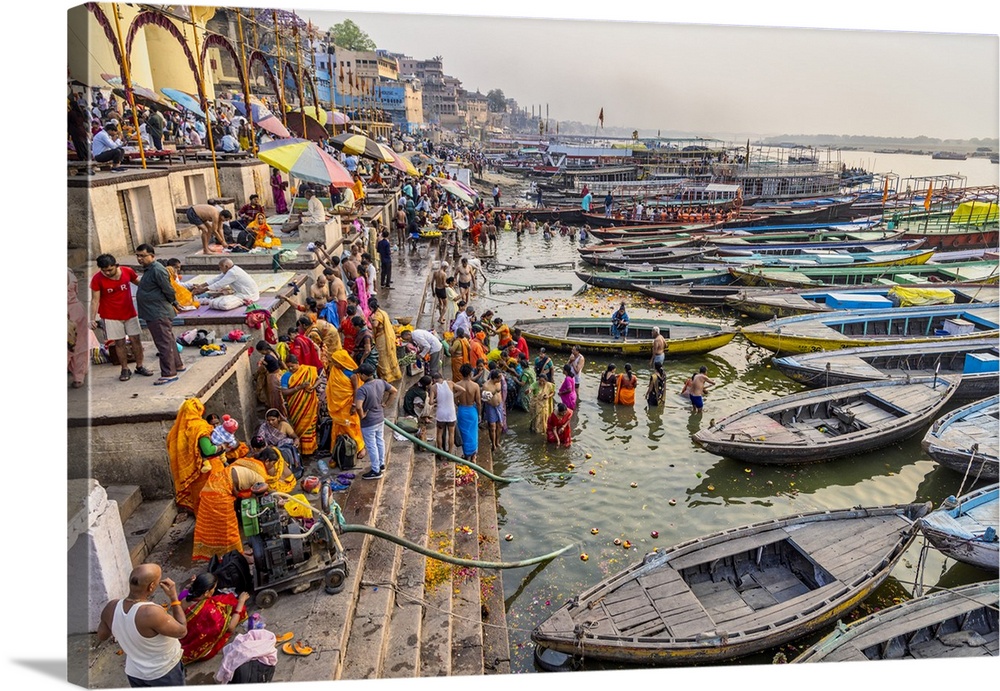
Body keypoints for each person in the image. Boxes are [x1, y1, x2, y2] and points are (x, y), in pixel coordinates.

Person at [97, 563, 187, 687]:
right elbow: (182, 631)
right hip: (164, 672)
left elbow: (102, 636)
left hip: (135, 673)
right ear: (151, 587)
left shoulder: (111, 607)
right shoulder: (151, 613)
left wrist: (123, 627)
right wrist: (174, 597)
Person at [89, 254, 152, 381]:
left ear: (116, 265)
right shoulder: (97, 279)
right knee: (119, 343)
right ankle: (124, 369)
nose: (107, 273)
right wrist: (92, 318)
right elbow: (95, 300)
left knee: (136, 340)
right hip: (111, 316)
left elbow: (140, 284)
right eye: (104, 270)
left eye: (109, 270)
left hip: (130, 313)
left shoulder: (127, 271)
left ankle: (140, 366)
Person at [134, 244, 186, 385]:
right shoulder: (149, 270)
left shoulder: (157, 270)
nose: (140, 259)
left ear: (152, 255)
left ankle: (169, 373)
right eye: (138, 256)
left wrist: (174, 303)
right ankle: (178, 364)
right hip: (153, 311)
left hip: (158, 312)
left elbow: (168, 289)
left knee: (163, 343)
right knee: (167, 339)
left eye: (143, 256)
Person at [178, 572, 249, 665]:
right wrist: (241, 602)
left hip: (183, 636)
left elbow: (183, 594)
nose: (214, 590)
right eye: (214, 588)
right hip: (203, 650)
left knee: (224, 601)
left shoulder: (184, 595)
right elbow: (230, 628)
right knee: (238, 609)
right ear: (206, 592)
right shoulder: (210, 611)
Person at [354, 363, 396, 480]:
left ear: (364, 375)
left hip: (369, 422)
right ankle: (381, 464)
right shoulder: (380, 382)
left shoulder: (362, 390)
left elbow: (358, 406)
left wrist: (362, 415)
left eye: (359, 374)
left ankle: (375, 470)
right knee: (379, 441)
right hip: (379, 417)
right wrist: (386, 404)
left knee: (371, 445)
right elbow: (394, 391)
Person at [280, 354, 320, 456]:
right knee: (299, 427)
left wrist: (312, 387)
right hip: (296, 407)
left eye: (292, 366)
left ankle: (312, 448)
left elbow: (319, 380)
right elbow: (284, 392)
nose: (290, 368)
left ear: (298, 363)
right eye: (288, 367)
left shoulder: (309, 370)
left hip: (310, 404)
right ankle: (301, 450)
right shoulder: (286, 376)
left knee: (310, 427)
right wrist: (299, 387)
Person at [190, 259, 261, 309]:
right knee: (218, 297)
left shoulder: (233, 273)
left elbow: (220, 284)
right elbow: (216, 279)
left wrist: (203, 290)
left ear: (226, 266)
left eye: (221, 268)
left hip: (248, 295)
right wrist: (201, 286)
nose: (220, 269)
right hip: (242, 293)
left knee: (216, 303)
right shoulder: (231, 269)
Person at [368, 297, 402, 382]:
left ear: (371, 307)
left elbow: (375, 324)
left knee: (382, 356)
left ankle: (387, 376)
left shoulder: (377, 315)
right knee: (389, 355)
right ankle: (394, 374)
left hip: (382, 338)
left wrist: (370, 320)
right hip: (387, 336)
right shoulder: (383, 312)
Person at [454, 363, 482, 463]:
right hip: (472, 411)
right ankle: (474, 456)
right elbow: (478, 402)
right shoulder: (475, 386)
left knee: (464, 433)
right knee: (473, 433)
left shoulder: (457, 384)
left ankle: (466, 455)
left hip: (462, 410)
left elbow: (455, 400)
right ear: (470, 373)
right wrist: (479, 414)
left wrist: (460, 405)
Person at [482, 369, 505, 451]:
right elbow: (485, 400)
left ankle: (497, 442)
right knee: (492, 427)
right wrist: (494, 392)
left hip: (499, 406)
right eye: (499, 378)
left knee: (500, 425)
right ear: (495, 378)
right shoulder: (486, 386)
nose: (501, 379)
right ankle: (493, 444)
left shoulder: (499, 382)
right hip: (491, 407)